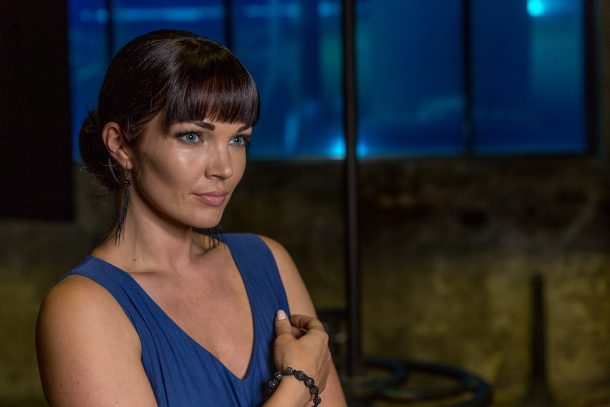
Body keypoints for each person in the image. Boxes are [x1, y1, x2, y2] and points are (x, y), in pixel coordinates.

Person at [36, 30, 347, 407]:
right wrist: (298, 384)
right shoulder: (82, 308)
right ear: (121, 145)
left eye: (238, 140)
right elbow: (305, 385)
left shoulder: (268, 261)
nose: (224, 168)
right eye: (192, 137)